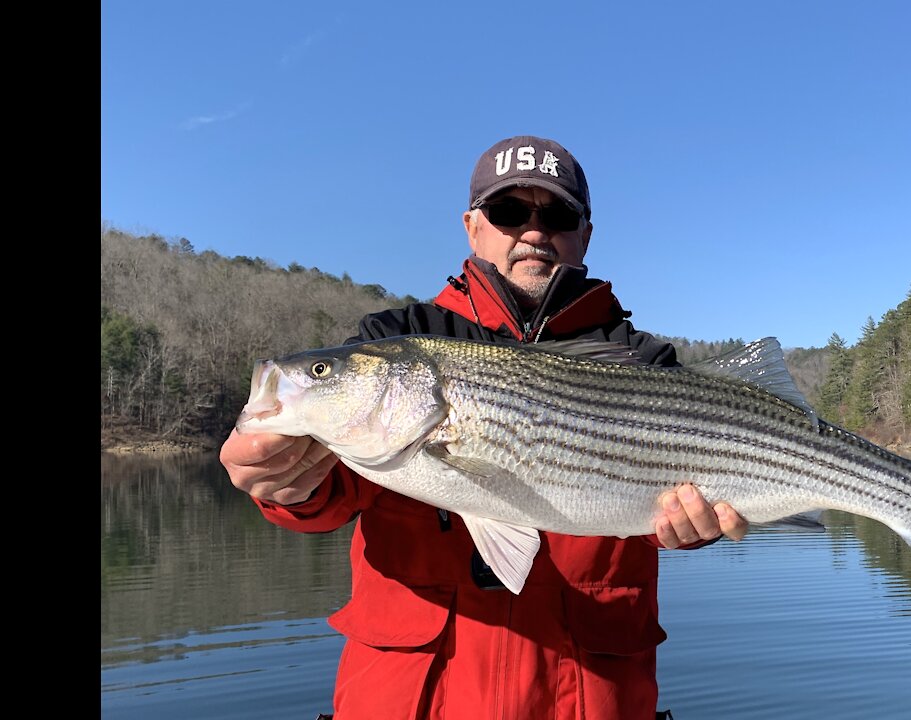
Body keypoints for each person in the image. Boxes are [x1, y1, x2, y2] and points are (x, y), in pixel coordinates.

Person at [219, 135, 749, 720]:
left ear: (586, 235)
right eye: (508, 212)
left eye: (557, 214)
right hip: (414, 700)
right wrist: (286, 483)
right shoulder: (397, 337)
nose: (533, 231)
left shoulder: (642, 363)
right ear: (473, 227)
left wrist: (691, 527)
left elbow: (655, 511)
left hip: (591, 698)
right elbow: (329, 496)